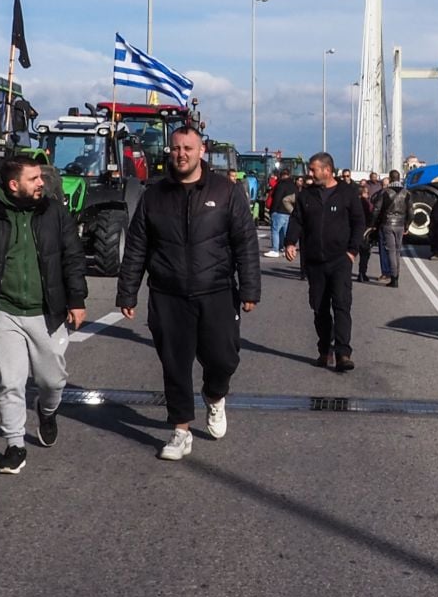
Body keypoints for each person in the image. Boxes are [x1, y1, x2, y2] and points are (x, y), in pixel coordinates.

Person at [117, 125, 261, 461]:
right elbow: (137, 245)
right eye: (176, 148)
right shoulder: (154, 195)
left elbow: (245, 243)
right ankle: (180, 430)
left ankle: (215, 395)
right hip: (168, 294)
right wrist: (128, 292)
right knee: (175, 364)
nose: (181, 154)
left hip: (217, 291)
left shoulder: (226, 192)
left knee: (223, 358)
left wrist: (250, 288)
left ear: (201, 152)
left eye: (188, 148)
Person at [0, 154, 89, 475]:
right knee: (10, 382)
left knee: (52, 379)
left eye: (40, 177)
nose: (41, 182)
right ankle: (15, 445)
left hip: (47, 313)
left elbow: (72, 258)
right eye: (34, 179)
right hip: (4, 313)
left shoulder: (56, 215)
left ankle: (47, 410)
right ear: (14, 184)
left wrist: (77, 300)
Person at [284, 151, 368, 370]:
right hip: (314, 261)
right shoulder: (306, 195)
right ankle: (325, 349)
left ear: (327, 170)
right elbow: (297, 221)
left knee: (341, 305)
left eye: (313, 169)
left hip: (340, 260)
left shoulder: (347, 193)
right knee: (319, 308)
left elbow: (359, 222)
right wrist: (290, 242)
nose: (309, 173)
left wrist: (352, 251)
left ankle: (343, 353)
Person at [373, 170, 410, 287]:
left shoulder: (385, 192)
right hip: (400, 225)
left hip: (388, 224)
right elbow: (412, 212)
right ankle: (396, 275)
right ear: (399, 178)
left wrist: (372, 224)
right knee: (398, 251)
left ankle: (394, 278)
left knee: (391, 251)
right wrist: (407, 225)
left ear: (390, 178)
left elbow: (376, 210)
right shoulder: (407, 193)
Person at [265, 164, 299, 258]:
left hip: (279, 210)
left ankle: (275, 249)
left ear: (281, 175)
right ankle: (284, 249)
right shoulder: (294, 186)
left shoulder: (280, 185)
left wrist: (272, 210)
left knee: (275, 230)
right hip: (289, 212)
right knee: (285, 232)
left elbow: (276, 198)